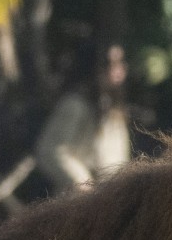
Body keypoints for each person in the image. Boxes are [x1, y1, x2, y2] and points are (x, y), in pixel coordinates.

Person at [35, 43, 132, 192]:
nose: (116, 70)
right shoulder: (75, 105)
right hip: (77, 205)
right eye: (109, 64)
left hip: (110, 201)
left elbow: (118, 163)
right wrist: (85, 187)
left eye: (120, 63)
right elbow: (50, 151)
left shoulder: (115, 111)